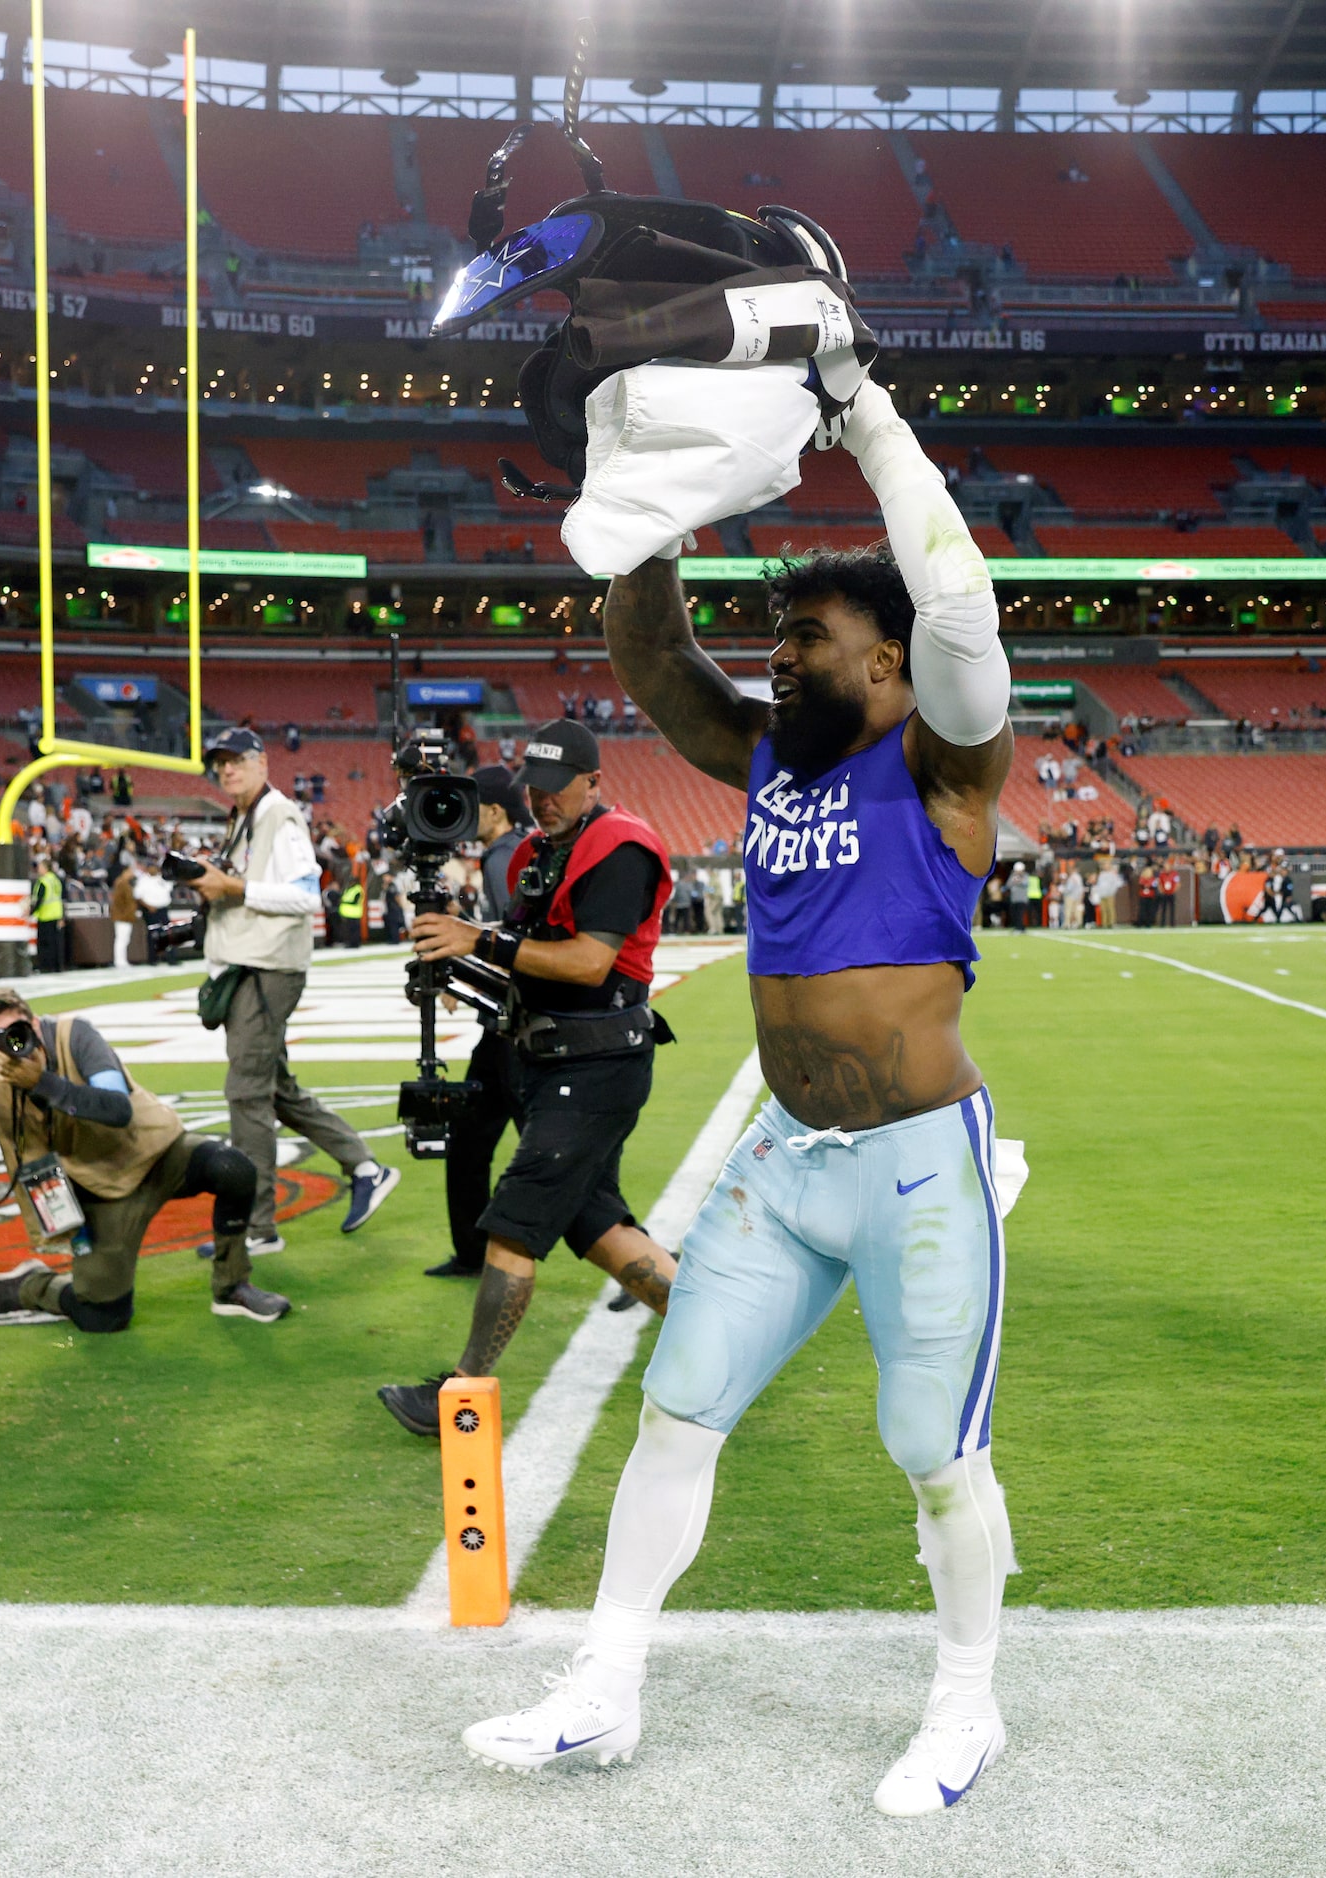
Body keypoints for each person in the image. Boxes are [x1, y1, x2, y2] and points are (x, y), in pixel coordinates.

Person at [463, 379, 1018, 1817]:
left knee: (934, 1458)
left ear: (888, 661)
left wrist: (871, 422)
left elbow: (958, 597)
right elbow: (652, 657)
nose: (779, 660)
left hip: (914, 1163)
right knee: (678, 1412)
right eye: (774, 636)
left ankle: (968, 1703)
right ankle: (607, 1686)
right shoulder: (773, 755)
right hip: (787, 1156)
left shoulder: (945, 751)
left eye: (809, 639)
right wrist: (634, 488)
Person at [379, 724, 681, 1433]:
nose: (542, 800)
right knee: (599, 1226)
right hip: (555, 1063)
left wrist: (477, 936)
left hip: (596, 1065)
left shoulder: (618, 847)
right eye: (534, 787)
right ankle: (723, 1332)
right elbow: (526, 961)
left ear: (593, 781)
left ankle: (459, 1396)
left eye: (557, 785)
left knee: (512, 1227)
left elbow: (585, 964)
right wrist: (450, 954)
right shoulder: (543, 852)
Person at [0, 988, 287, 1327]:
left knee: (233, 1168)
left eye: (17, 1032)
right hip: (98, 1191)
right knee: (102, 1316)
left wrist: (42, 1083)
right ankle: (32, 1286)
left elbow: (117, 1108)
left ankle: (232, 1287)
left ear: (35, 1024)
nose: (12, 1046)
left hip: (153, 1154)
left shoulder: (74, 1036)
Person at [189, 725, 395, 1254]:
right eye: (220, 763)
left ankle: (255, 1229)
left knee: (246, 1095)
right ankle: (365, 1167)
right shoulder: (250, 815)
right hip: (252, 964)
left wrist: (231, 886)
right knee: (274, 1090)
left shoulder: (276, 813)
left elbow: (307, 895)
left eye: (236, 760)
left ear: (261, 762)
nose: (226, 769)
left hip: (266, 968)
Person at [427, 767, 534, 1283]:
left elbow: (510, 945)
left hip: (516, 1028)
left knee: (548, 1154)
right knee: (469, 1138)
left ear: (494, 811)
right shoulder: (516, 850)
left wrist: (459, 957)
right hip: (502, 1027)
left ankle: (632, 1250)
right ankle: (470, 1253)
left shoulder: (503, 855)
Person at [31, 852, 67, 973]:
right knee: (56, 943)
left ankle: (46, 966)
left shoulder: (43, 881)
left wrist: (31, 912)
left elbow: (39, 900)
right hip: (56, 914)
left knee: (45, 944)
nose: (38, 869)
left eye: (40, 866)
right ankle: (57, 966)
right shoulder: (56, 880)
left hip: (46, 915)